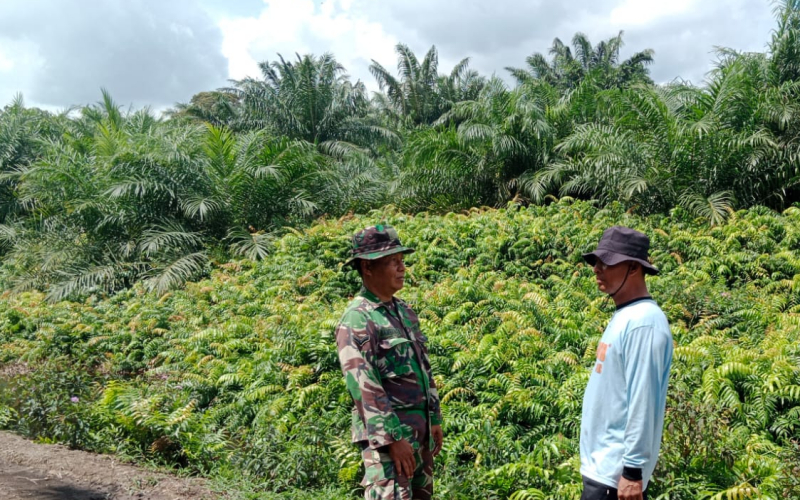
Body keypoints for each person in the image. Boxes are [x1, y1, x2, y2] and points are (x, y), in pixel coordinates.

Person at [335, 224, 444, 500]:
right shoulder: (358, 318)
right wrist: (392, 439)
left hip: (419, 437)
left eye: (402, 260)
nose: (402, 268)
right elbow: (363, 386)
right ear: (367, 267)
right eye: (392, 261)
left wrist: (434, 417)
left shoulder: (404, 312)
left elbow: (423, 367)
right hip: (389, 445)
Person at [579, 226, 673, 500]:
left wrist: (632, 472)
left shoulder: (644, 323)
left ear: (633, 268)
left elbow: (643, 400)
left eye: (607, 262)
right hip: (603, 470)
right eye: (597, 261)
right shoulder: (626, 315)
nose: (597, 269)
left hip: (615, 476)